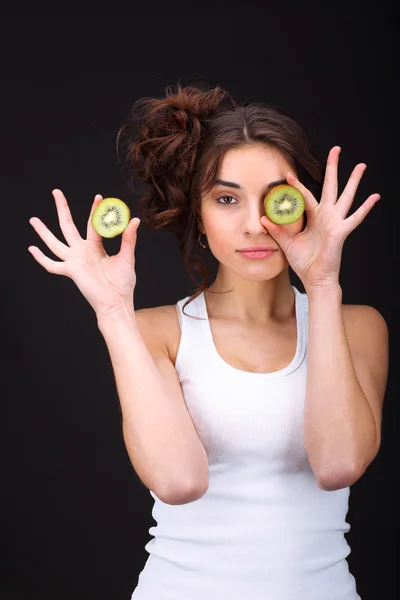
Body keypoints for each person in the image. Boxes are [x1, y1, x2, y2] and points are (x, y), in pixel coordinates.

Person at [28, 83, 388, 599]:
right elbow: (178, 483)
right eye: (226, 199)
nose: (254, 225)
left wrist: (323, 284)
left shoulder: (359, 326)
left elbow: (337, 466)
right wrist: (112, 313)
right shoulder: (156, 332)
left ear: (306, 205)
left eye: (275, 200)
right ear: (198, 215)